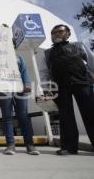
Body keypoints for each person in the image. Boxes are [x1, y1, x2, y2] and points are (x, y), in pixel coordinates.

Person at [39, 24, 94, 155]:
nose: (57, 34)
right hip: (60, 87)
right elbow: (44, 72)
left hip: (83, 83)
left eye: (60, 31)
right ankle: (69, 147)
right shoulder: (47, 53)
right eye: (54, 33)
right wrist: (46, 88)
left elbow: (91, 61)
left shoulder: (78, 46)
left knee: (91, 113)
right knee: (65, 117)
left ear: (68, 33)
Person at [0, 55, 40, 155]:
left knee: (23, 116)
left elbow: (24, 72)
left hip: (21, 88)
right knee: (7, 116)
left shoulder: (19, 58)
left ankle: (30, 145)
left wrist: (27, 85)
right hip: (4, 88)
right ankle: (10, 145)